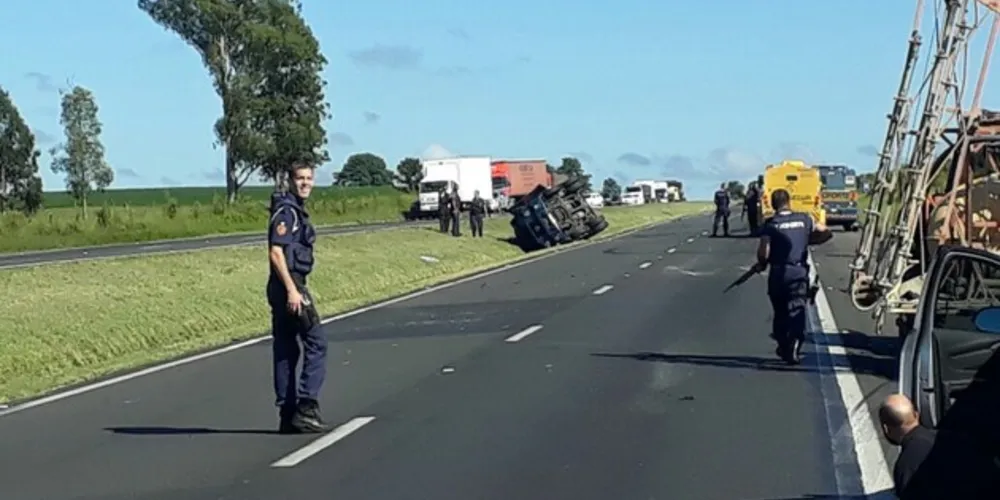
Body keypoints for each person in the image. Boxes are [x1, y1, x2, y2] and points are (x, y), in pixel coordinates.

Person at [267, 163, 329, 434]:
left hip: (285, 284)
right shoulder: (287, 213)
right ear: (290, 182)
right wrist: (293, 290)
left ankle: (287, 413)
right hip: (289, 284)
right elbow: (276, 253)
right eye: (300, 178)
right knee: (316, 342)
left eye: (309, 178)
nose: (305, 183)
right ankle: (306, 406)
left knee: (287, 347)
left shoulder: (292, 210)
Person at [756, 188, 832, 364]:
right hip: (798, 272)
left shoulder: (771, 223)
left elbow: (764, 251)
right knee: (797, 308)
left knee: (780, 311)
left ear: (773, 204)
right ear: (789, 202)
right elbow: (825, 231)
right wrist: (810, 240)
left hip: (778, 273)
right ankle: (795, 342)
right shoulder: (805, 218)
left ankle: (783, 344)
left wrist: (761, 263)